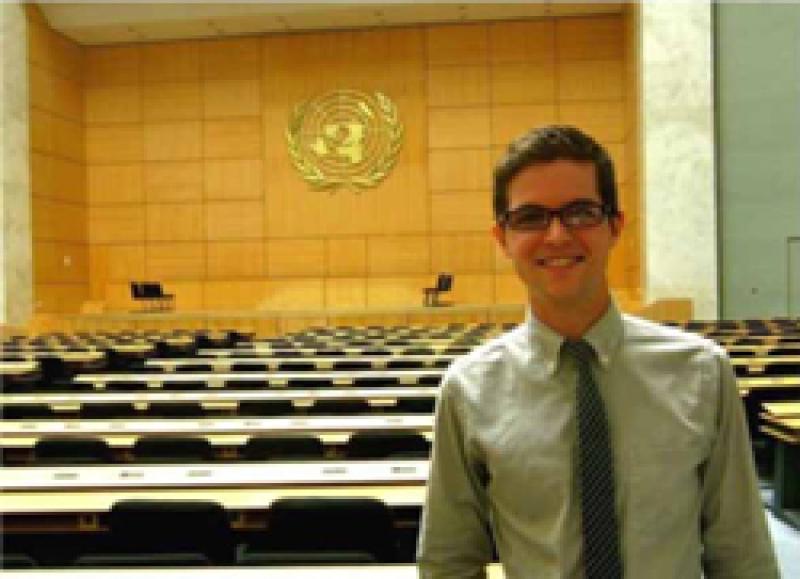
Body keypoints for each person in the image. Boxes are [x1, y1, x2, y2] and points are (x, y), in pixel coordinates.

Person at [417, 125, 778, 578]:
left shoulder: (700, 371)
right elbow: (448, 562)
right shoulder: (468, 389)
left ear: (615, 226)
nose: (556, 236)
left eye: (580, 213)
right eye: (530, 217)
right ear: (502, 237)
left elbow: (743, 555)